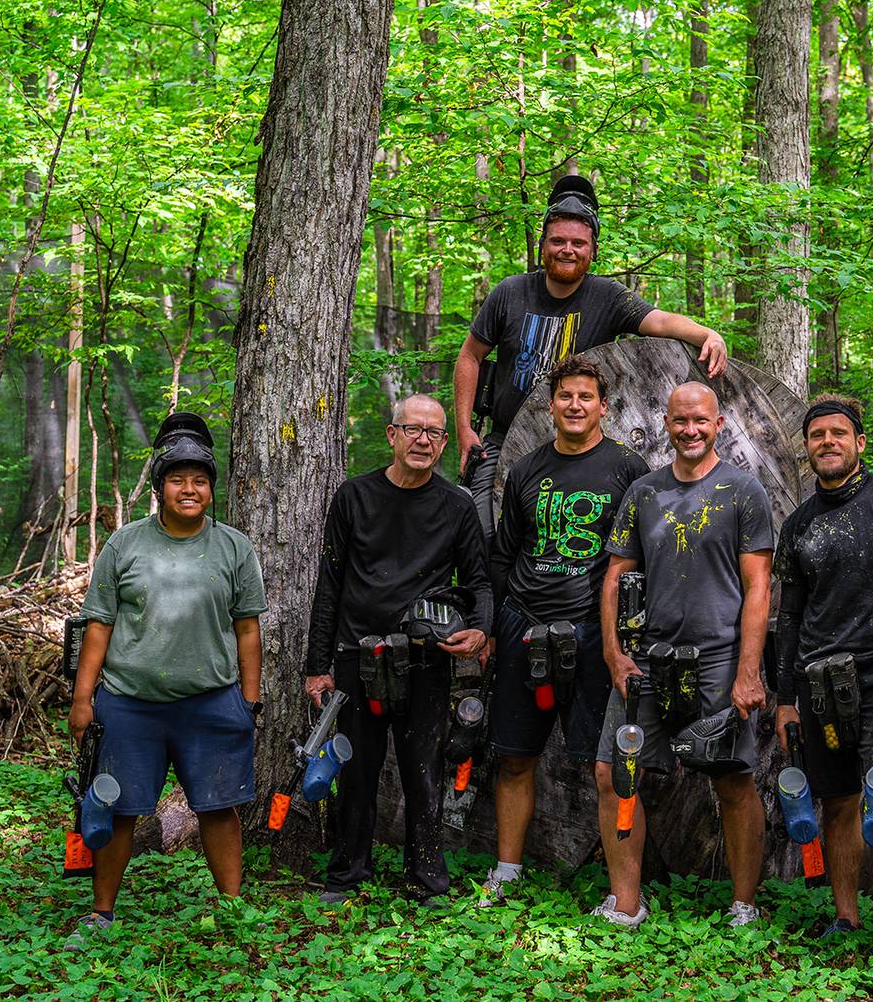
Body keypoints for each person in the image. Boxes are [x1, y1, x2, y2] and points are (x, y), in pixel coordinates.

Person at [66, 413, 266, 945]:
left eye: (199, 480)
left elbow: (248, 629)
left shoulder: (234, 548)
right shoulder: (124, 545)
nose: (189, 489)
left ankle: (233, 912)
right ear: (159, 488)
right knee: (120, 807)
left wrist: (249, 700)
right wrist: (84, 699)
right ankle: (101, 913)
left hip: (212, 701)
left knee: (218, 808)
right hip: (131, 704)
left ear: (210, 488)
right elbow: (99, 626)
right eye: (177, 479)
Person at [591, 381, 774, 928]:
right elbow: (615, 576)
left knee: (733, 778)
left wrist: (748, 670)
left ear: (718, 424)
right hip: (648, 659)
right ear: (666, 425)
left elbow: (759, 585)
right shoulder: (644, 493)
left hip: (719, 660)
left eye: (700, 421)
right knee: (612, 772)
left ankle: (744, 903)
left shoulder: (744, 491)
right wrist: (615, 654)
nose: (690, 430)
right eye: (679, 421)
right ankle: (626, 902)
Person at [453, 175, 727, 536]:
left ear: (592, 250)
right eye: (558, 241)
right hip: (505, 440)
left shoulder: (607, 297)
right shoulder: (510, 292)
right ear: (543, 246)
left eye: (578, 243)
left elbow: (659, 320)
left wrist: (707, 333)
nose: (567, 249)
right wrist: (462, 432)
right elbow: (470, 356)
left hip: (579, 448)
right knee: (480, 531)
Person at [303, 394, 492, 906]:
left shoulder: (456, 506)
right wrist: (317, 668)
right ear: (392, 435)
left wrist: (479, 630)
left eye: (433, 433)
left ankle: (427, 880)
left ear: (444, 444)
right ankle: (346, 874)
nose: (423, 440)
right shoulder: (354, 497)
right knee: (356, 770)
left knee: (422, 772)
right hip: (357, 655)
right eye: (413, 430)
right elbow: (329, 585)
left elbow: (480, 582)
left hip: (426, 658)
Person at [476, 356, 649, 905]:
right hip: (525, 621)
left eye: (586, 397)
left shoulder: (628, 469)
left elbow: (639, 559)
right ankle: (506, 871)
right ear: (551, 404)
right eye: (565, 396)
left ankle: (625, 893)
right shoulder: (525, 469)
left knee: (607, 767)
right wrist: (496, 627)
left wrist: (627, 636)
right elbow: (504, 555)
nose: (575, 406)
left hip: (594, 633)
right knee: (514, 757)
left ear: (603, 406)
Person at [770, 395, 873, 962]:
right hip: (818, 681)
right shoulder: (798, 525)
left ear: (860, 442)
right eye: (818, 436)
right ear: (808, 448)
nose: (828, 442)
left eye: (839, 433)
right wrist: (785, 697)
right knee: (836, 799)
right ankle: (846, 915)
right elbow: (788, 614)